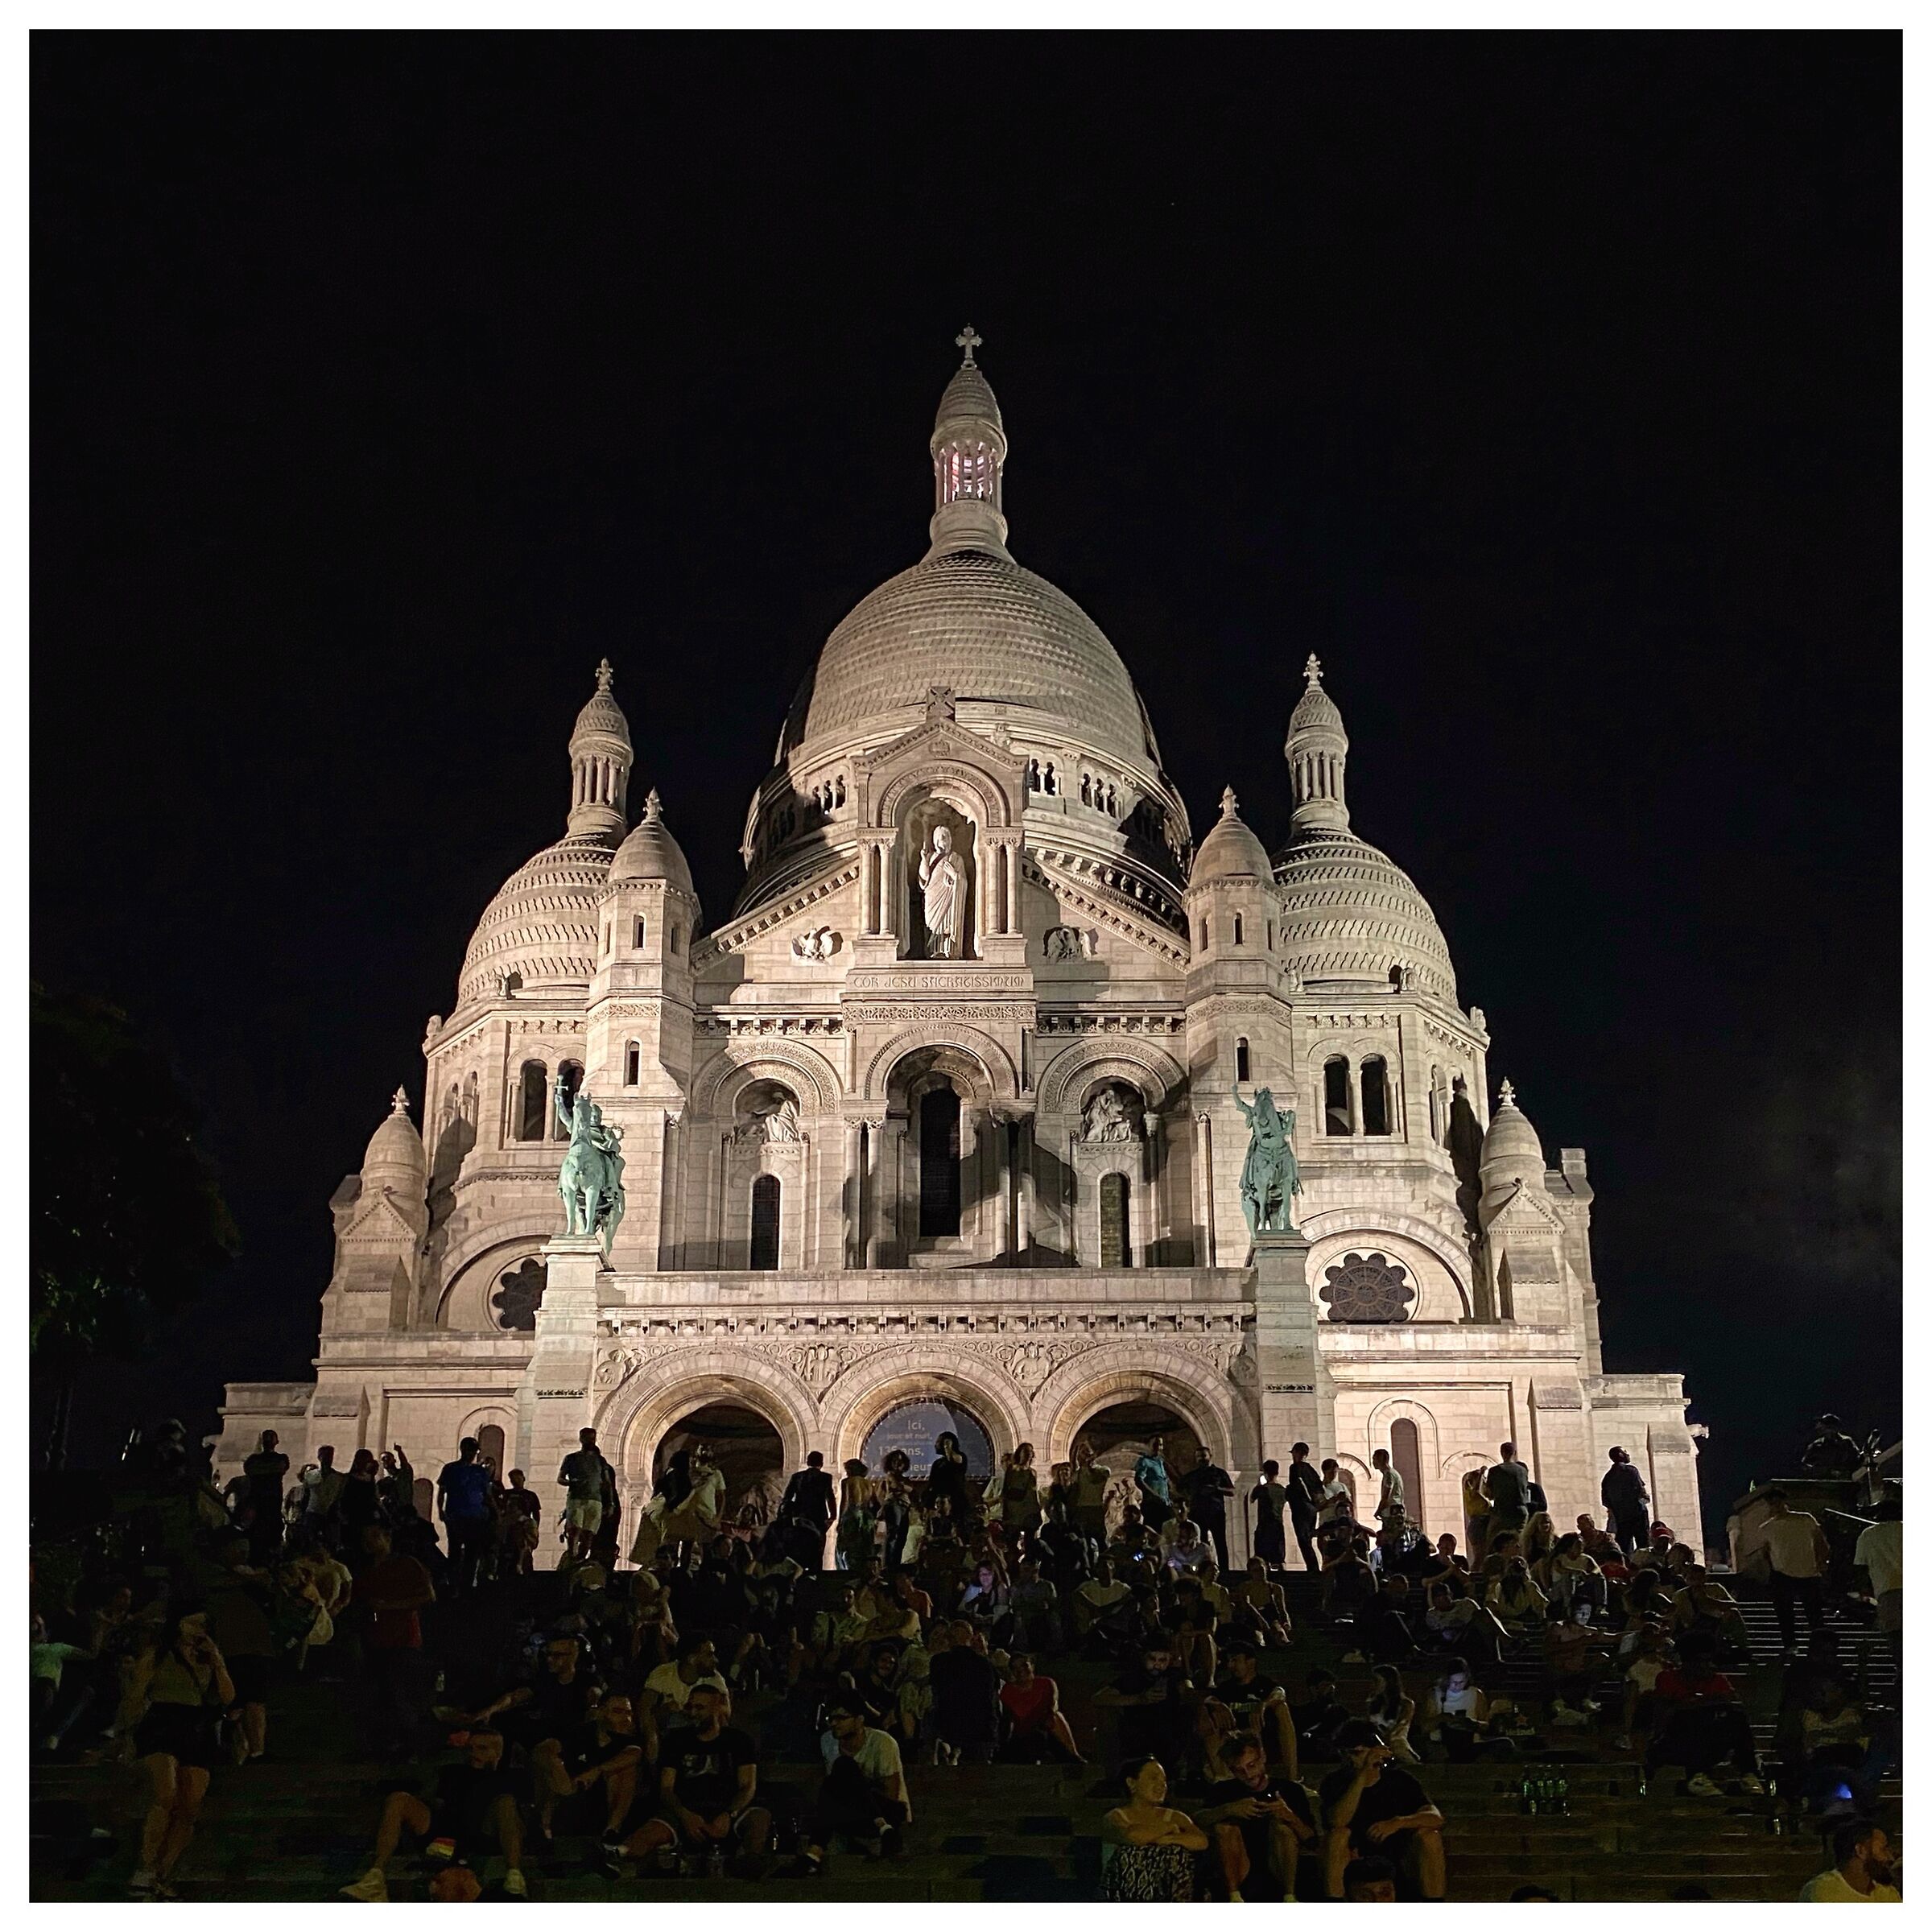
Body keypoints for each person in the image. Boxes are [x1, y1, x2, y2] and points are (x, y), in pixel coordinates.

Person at [341, 1727, 528, 1901]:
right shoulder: (452, 1771)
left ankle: (514, 1876)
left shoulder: (508, 1779)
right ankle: (375, 1877)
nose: (474, 1754)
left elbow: (516, 1821)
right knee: (399, 1799)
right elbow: (429, 1800)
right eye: (471, 1748)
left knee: (506, 1802)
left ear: (497, 1753)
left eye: (482, 1749)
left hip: (483, 1833)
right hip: (444, 1829)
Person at [126, 1611, 234, 1899]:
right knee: (166, 1794)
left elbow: (227, 1697)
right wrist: (125, 1732)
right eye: (193, 1622)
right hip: (163, 1722)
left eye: (204, 1625)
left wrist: (218, 1661)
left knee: (189, 1806)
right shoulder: (159, 1655)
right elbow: (137, 1693)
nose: (198, 1629)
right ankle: (146, 1865)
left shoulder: (207, 1658)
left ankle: (163, 1872)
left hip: (196, 1726)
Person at [621, 1682, 770, 1873]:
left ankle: (750, 1864)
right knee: (642, 1839)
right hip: (686, 1809)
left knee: (759, 1818)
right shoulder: (676, 1740)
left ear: (716, 1707)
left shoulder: (738, 1740)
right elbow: (666, 1788)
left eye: (700, 1708)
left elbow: (748, 1786)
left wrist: (729, 1814)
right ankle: (614, 1858)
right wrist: (685, 1815)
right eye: (690, 1707)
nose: (693, 1713)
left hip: (727, 1808)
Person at [1319, 1719, 1446, 1901]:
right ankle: (1335, 1904)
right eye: (1347, 1753)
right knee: (1338, 1836)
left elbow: (1435, 1818)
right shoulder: (1336, 1781)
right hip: (1354, 1856)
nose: (1352, 1759)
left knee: (1430, 1837)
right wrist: (1362, 1776)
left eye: (1358, 1753)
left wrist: (1398, 1822)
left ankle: (1433, 1904)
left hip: (1398, 1855)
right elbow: (1337, 1821)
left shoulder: (1400, 1780)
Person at [795, 1699, 910, 1873]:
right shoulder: (827, 1741)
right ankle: (884, 1829)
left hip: (886, 1810)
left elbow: (891, 1793)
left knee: (843, 1766)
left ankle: (815, 1851)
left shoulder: (882, 1742)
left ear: (859, 1720)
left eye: (841, 1718)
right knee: (840, 1771)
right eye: (831, 1719)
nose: (834, 1724)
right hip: (850, 1813)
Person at [1199, 1732, 1317, 1901]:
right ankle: (1234, 1898)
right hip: (1240, 1868)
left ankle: (1289, 1898)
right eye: (1239, 1770)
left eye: (1252, 1765)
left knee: (1282, 1829)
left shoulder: (1290, 1790)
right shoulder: (1223, 1790)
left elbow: (1312, 1841)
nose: (1248, 1774)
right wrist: (1227, 1810)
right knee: (1224, 1828)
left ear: (1263, 1757)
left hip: (1281, 1868)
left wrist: (1290, 1817)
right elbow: (1197, 1820)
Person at [351, 1522, 436, 1758]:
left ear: (387, 1538)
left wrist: (391, 1607)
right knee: (379, 1694)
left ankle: (409, 1745)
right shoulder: (368, 1570)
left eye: (374, 1537)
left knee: (400, 1693)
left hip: (402, 1639)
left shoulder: (406, 1564)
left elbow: (427, 1596)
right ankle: (384, 1744)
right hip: (375, 1638)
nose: (369, 1543)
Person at [1647, 1634, 1765, 1796]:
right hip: (1675, 1742)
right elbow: (1666, 1713)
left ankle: (1748, 1773)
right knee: (1694, 1716)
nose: (1709, 1666)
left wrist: (1697, 1702)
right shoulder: (1668, 1678)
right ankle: (1697, 1776)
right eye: (1703, 1661)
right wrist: (1706, 1703)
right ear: (1688, 1662)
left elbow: (1733, 1704)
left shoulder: (1717, 1680)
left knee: (1735, 1716)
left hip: (1711, 1741)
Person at [1100, 1757, 1208, 1901]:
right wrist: (1169, 1828)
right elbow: (1133, 1836)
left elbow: (1201, 1841)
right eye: (1153, 1778)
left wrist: (1167, 1839)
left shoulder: (1176, 1817)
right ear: (1132, 1783)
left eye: (1164, 1780)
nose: (1162, 1785)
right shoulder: (1115, 1817)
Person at [1210, 1640, 1298, 1773]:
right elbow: (1209, 1699)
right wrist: (1217, 1705)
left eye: (1235, 1660)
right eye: (1229, 1661)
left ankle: (1292, 1775)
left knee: (1282, 1708)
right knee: (1209, 1716)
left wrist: (1263, 1705)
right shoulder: (1226, 1688)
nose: (1230, 1665)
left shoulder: (1264, 1684)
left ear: (1250, 1662)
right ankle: (1221, 1776)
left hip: (1264, 1738)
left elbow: (1280, 1693)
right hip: (1235, 1739)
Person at [1759, 1488, 1831, 1651]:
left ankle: (1819, 1644)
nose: (1775, 1506)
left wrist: (1822, 1562)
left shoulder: (1805, 1519)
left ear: (1784, 1502)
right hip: (1782, 1573)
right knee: (1785, 1613)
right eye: (1772, 1503)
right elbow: (1766, 1553)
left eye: (1777, 1502)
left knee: (1814, 1612)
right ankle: (1791, 1644)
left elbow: (1820, 1542)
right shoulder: (1767, 1528)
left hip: (1808, 1571)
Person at [928, 1616, 1001, 1764]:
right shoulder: (984, 1664)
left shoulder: (939, 1662)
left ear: (949, 1639)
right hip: (979, 1730)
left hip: (947, 1726)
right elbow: (990, 1698)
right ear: (970, 1637)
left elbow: (936, 1692)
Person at [997, 1651, 1085, 1762]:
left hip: (1044, 1727)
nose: (1020, 1670)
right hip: (1021, 1734)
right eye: (1015, 1668)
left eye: (1024, 1665)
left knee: (1056, 1718)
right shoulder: (1008, 1691)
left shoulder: (1045, 1683)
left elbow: (1052, 1705)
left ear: (1032, 1666)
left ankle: (1073, 1755)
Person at [435, 1438, 495, 1591]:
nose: (472, 1454)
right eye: (470, 1450)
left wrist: (495, 1512)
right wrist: (440, 1510)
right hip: (456, 1516)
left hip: (476, 1517)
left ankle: (467, 1587)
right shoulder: (450, 1469)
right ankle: (453, 1586)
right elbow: (442, 1491)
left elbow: (487, 1494)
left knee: (472, 1553)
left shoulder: (479, 1471)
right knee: (455, 1551)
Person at [1852, 1490, 1903, 1668]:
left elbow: (1860, 1566)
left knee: (1895, 1632)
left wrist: (1864, 1592)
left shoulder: (1869, 1534)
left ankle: (1902, 1668)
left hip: (1887, 1589)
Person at [1798, 1818, 1901, 1902]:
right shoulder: (1823, 1891)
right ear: (1860, 1851)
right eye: (1883, 1849)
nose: (1890, 1858)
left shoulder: (1886, 1892)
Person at [557, 1427, 615, 1566]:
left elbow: (607, 1483)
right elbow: (560, 1478)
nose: (591, 1441)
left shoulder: (600, 1460)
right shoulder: (571, 1458)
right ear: (581, 1439)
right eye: (588, 1438)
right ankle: (572, 1557)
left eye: (592, 1438)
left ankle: (580, 1559)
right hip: (576, 1499)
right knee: (574, 1530)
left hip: (595, 1500)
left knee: (589, 1533)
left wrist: (610, 1503)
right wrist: (571, 1482)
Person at [778, 1451, 837, 1569]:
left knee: (800, 1548)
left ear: (807, 1462)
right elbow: (830, 1497)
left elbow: (787, 1497)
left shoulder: (797, 1477)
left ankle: (799, 1573)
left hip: (801, 1516)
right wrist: (833, 1516)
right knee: (818, 1549)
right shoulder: (826, 1477)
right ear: (822, 1463)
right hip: (819, 1517)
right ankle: (816, 1575)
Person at [239, 1430, 290, 1564]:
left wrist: (261, 1470)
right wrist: (270, 1470)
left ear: (277, 1441)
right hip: (258, 1506)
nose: (268, 1440)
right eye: (266, 1437)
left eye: (271, 1437)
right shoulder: (255, 1459)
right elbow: (251, 1469)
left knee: (272, 1541)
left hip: (272, 1506)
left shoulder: (280, 1458)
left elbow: (279, 1468)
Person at [1185, 1452, 1236, 1573]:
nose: (1201, 1459)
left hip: (1216, 1512)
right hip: (1198, 1513)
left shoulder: (1219, 1473)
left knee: (1220, 1541)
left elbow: (1232, 1491)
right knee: (1201, 1543)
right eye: (1198, 1456)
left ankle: (1224, 1570)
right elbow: (1180, 1487)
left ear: (1210, 1456)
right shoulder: (1192, 1475)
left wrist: (1216, 1489)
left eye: (1203, 1456)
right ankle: (1203, 1568)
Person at [1600, 1447, 1650, 1556]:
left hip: (1621, 1519)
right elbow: (1640, 1491)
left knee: (1625, 1549)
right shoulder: (1631, 1471)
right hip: (1638, 1514)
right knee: (1644, 1545)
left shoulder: (1607, 1477)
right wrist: (1644, 1500)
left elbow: (1605, 1501)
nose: (1628, 1455)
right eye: (1625, 1452)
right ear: (1620, 1455)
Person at [1481, 1442, 1532, 1543]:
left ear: (1502, 1453)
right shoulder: (1523, 1470)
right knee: (1519, 1541)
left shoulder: (1495, 1470)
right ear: (1515, 1453)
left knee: (1493, 1540)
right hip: (1521, 1511)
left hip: (1502, 1511)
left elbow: (1489, 1494)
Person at [1285, 1444, 1323, 1574]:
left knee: (1303, 1539)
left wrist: (1306, 1497)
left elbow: (1298, 1484)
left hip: (1301, 1507)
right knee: (1308, 1538)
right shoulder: (1312, 1470)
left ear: (1297, 1453)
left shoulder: (1295, 1468)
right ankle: (1313, 1567)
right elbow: (1319, 1489)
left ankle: (1313, 1568)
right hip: (1312, 1509)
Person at [497, 1468, 542, 1577]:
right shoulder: (506, 1494)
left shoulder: (531, 1495)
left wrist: (535, 1528)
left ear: (523, 1478)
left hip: (526, 1527)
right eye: (513, 1479)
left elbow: (536, 1513)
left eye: (518, 1478)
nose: (516, 1481)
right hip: (509, 1528)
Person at [1071, 1441, 1114, 1551]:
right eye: (1082, 1453)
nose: (1084, 1456)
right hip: (1081, 1510)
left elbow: (1093, 1479)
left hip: (1095, 1509)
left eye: (1087, 1452)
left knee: (1100, 1540)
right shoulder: (1078, 1473)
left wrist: (1088, 1465)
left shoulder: (1103, 1470)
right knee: (1084, 1543)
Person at [1799, 1414, 1863, 1482]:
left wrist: (1844, 1473)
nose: (1819, 1427)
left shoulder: (1846, 1443)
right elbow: (1805, 1466)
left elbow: (1856, 1461)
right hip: (1821, 1483)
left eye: (1825, 1426)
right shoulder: (1816, 1445)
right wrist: (1821, 1471)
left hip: (1843, 1482)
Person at [1133, 1435, 1174, 1534]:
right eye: (1155, 1444)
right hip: (1152, 1505)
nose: (1158, 1447)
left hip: (1164, 1503)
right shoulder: (1144, 1461)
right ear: (1148, 1446)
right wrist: (1154, 1495)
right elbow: (1139, 1480)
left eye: (1161, 1445)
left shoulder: (1160, 1462)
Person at [1370, 1447, 1406, 1534]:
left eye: (1375, 1459)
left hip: (1392, 1512)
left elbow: (1386, 1495)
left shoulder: (1389, 1474)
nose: (1373, 1462)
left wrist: (1379, 1510)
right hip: (1394, 1511)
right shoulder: (1391, 1473)